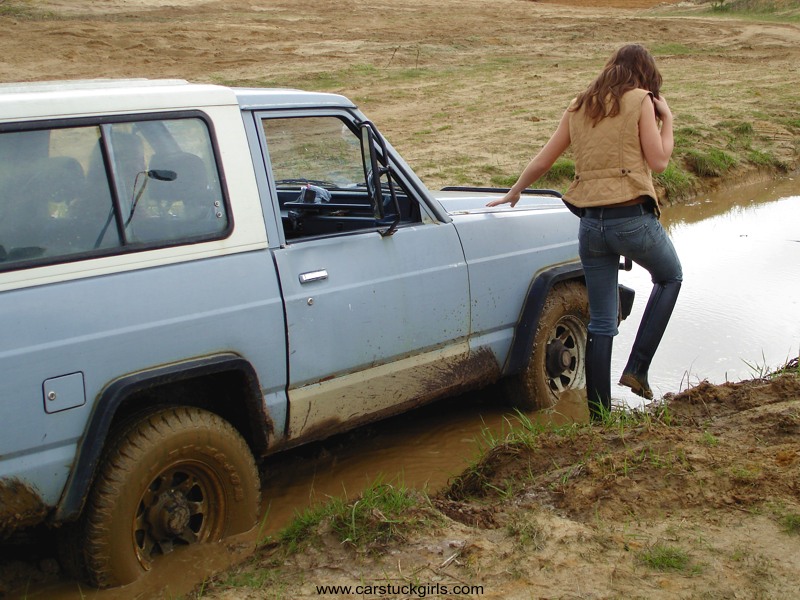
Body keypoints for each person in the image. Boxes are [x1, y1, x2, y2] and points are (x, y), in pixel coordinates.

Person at [487, 44, 682, 419]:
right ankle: (637, 368)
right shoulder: (641, 100)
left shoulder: (579, 105)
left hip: (591, 226)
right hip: (632, 220)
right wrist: (666, 120)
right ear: (645, 77)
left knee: (602, 323)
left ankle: (598, 418)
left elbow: (545, 157)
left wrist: (514, 191)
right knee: (670, 276)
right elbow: (659, 162)